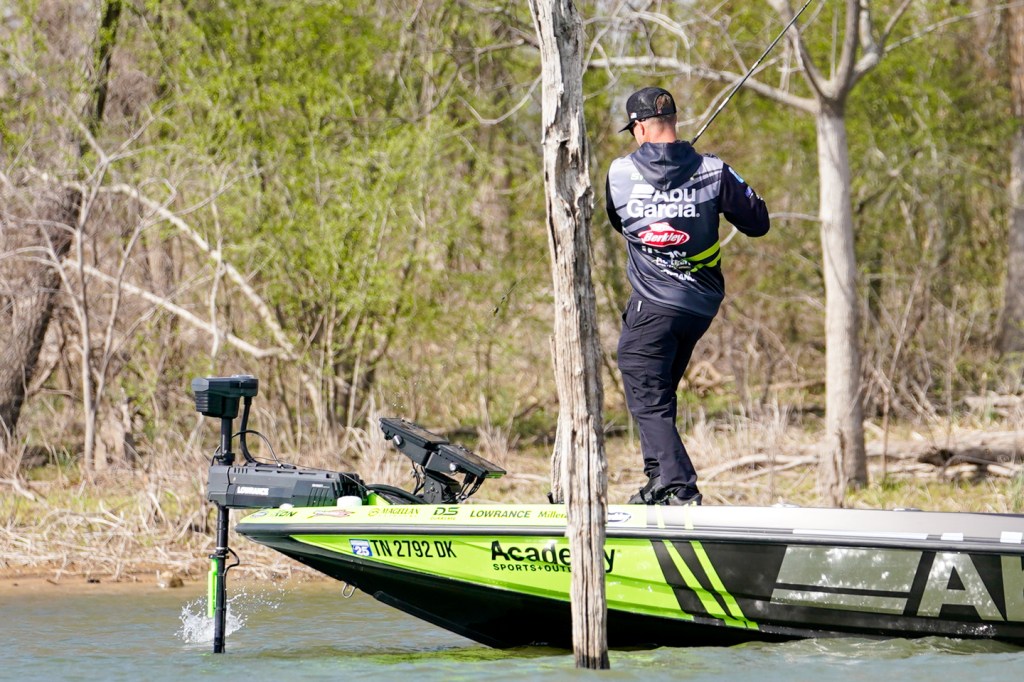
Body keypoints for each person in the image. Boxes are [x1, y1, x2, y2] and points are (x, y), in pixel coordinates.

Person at [605, 86, 770, 506]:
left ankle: (679, 487)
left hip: (654, 302)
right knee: (656, 393)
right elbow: (758, 223)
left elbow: (618, 221)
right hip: (699, 306)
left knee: (642, 380)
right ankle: (659, 478)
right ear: (674, 122)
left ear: (640, 128)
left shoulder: (619, 173)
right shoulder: (714, 170)